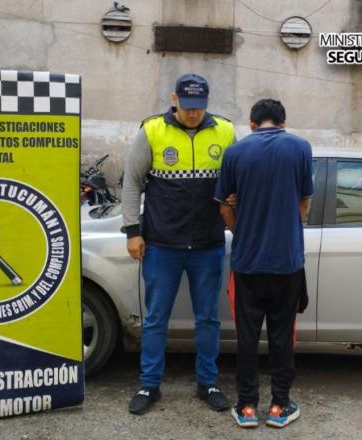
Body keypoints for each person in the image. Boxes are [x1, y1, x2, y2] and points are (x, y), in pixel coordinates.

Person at [121, 73, 236, 415]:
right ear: (174, 99)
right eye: (187, 106)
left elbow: (236, 182)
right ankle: (149, 385)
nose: (193, 113)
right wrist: (132, 231)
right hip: (162, 245)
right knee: (156, 319)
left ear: (207, 102)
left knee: (208, 319)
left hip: (208, 245)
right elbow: (132, 183)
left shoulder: (226, 132)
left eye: (198, 107)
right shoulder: (152, 130)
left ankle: (208, 383)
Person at [215, 99, 312, 429]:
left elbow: (224, 207)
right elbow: (303, 205)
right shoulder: (300, 148)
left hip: (247, 265)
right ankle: (279, 407)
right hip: (287, 264)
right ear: (283, 122)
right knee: (282, 337)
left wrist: (243, 231)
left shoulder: (235, 153)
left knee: (247, 338)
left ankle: (246, 407)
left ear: (252, 124)